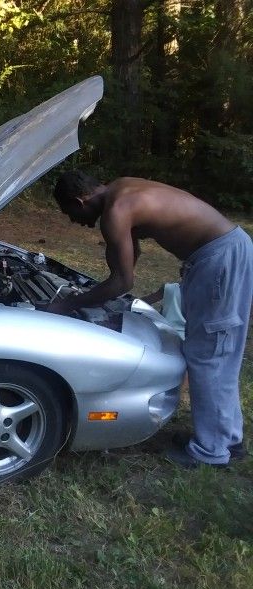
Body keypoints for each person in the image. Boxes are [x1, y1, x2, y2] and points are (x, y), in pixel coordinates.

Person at [49, 170, 252, 468]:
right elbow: (130, 258)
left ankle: (212, 452)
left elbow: (122, 282)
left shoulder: (115, 212)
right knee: (214, 350)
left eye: (70, 214)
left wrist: (68, 304)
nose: (74, 221)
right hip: (218, 253)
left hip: (219, 258)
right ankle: (226, 439)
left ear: (80, 201)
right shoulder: (121, 190)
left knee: (210, 353)